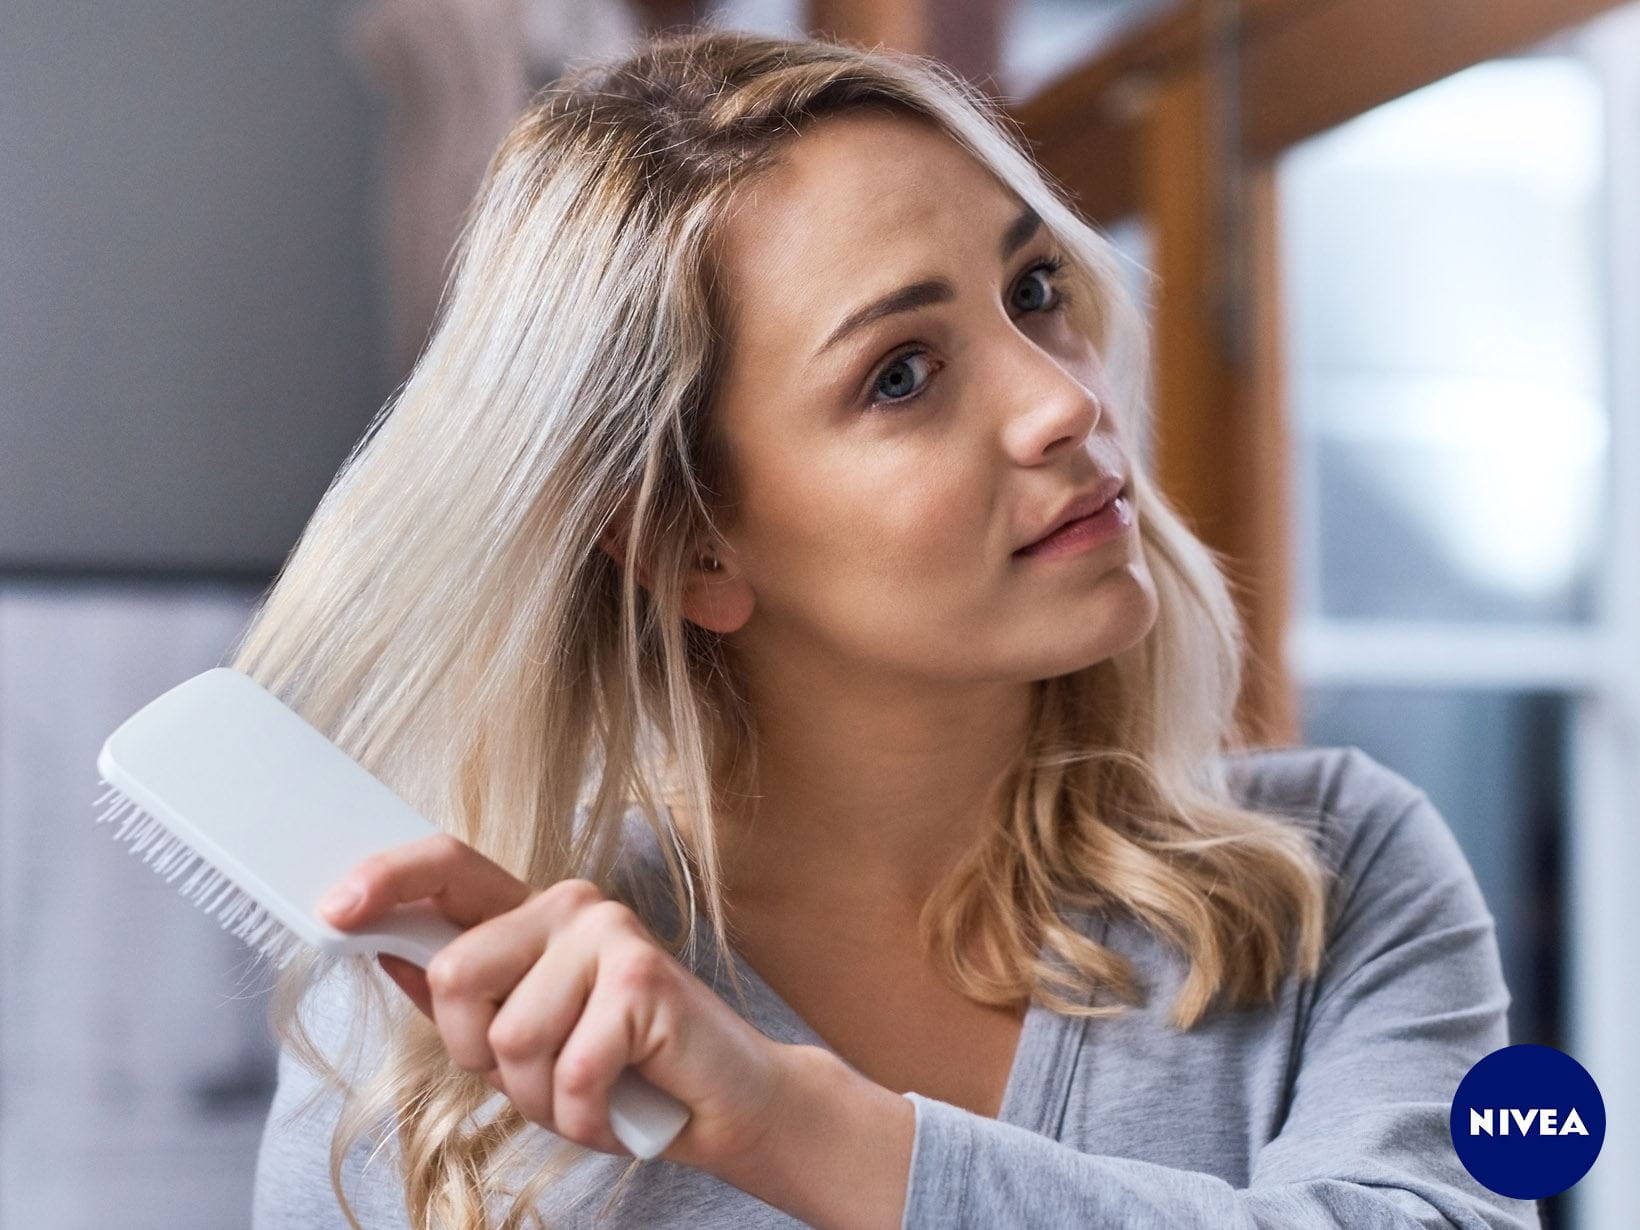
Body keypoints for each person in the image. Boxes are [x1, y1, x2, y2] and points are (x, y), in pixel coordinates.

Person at [241, 27, 1540, 1230]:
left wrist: (804, 1129)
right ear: (693, 544)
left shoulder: (1328, 875)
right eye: (901, 374)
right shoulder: (460, 1035)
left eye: (1033, 288)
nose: (1062, 401)